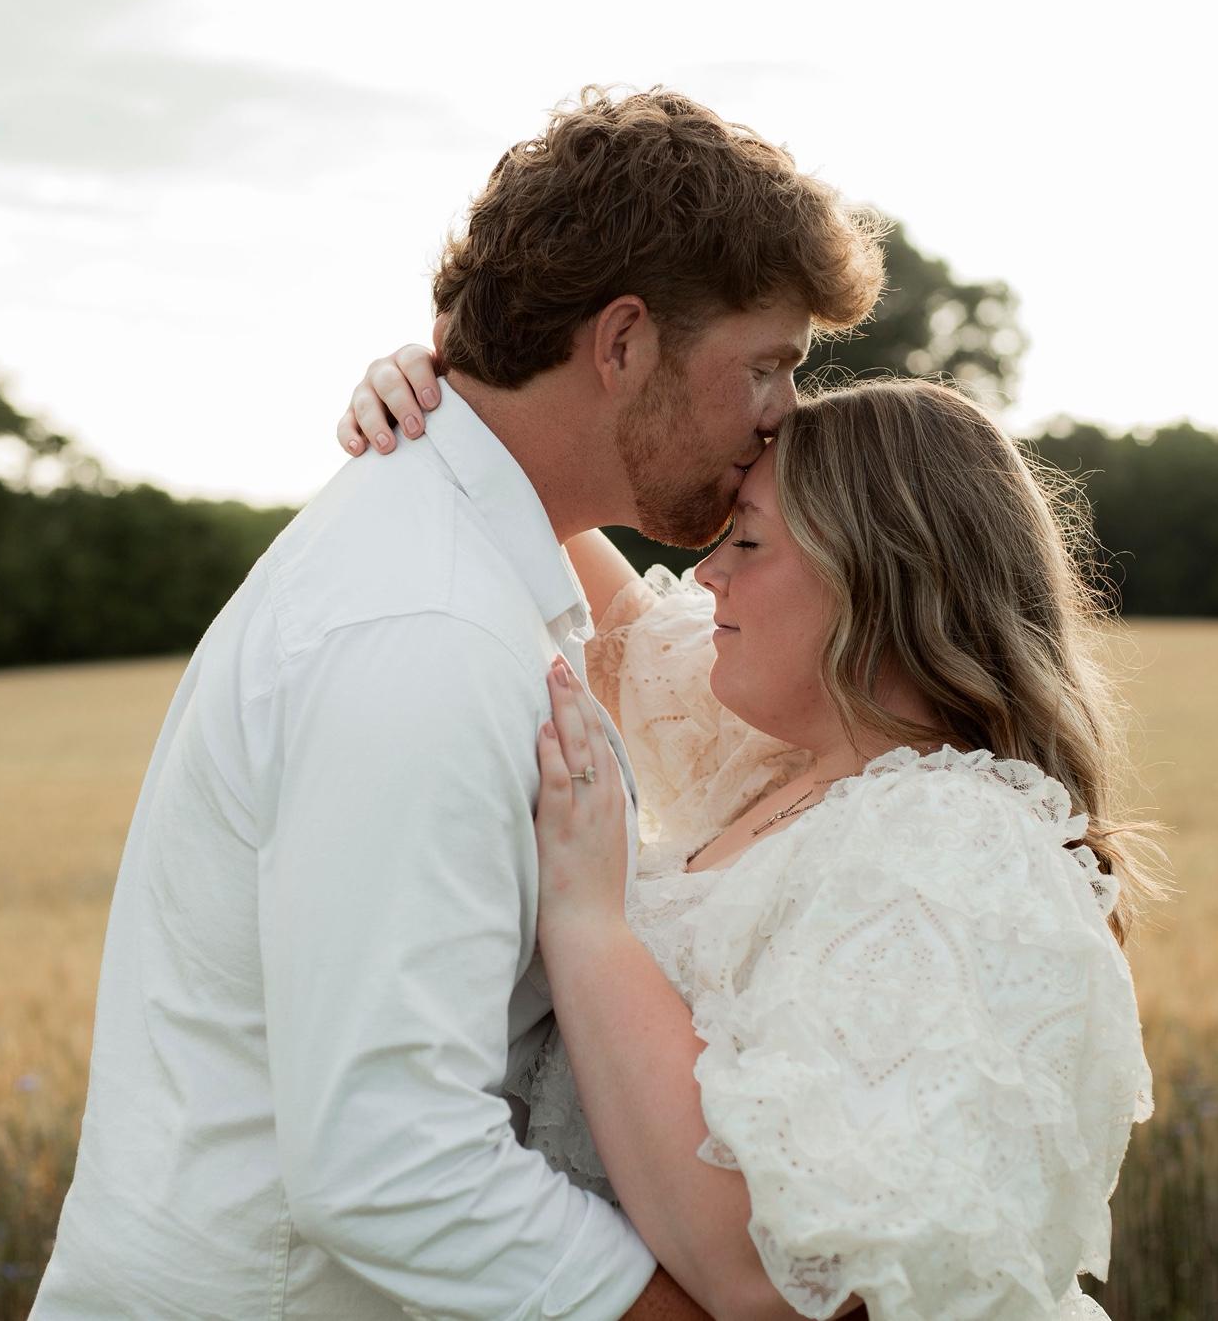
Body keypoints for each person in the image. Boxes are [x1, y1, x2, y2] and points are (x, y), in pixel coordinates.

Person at [31, 88, 884, 1319]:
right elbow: (392, 1164)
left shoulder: (463, 558)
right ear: (622, 342)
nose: (782, 416)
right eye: (765, 366)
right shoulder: (423, 628)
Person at [337, 350, 1158, 1319]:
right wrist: (458, 407)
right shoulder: (794, 754)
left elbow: (773, 1274)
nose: (708, 573)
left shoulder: (957, 855)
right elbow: (616, 628)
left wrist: (588, 923)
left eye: (749, 542)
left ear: (875, 579)